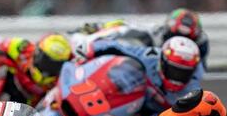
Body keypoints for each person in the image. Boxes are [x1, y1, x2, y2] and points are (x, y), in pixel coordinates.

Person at [87, 35, 204, 116]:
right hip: (128, 95)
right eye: (174, 70)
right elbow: (117, 47)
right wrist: (90, 49)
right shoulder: (149, 57)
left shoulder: (192, 93)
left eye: (184, 73)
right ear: (162, 61)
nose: (177, 77)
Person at [71, 8, 210, 70]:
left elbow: (199, 72)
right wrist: (100, 27)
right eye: (178, 37)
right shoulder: (155, 33)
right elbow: (125, 26)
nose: (182, 45)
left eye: (187, 39)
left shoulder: (201, 44)